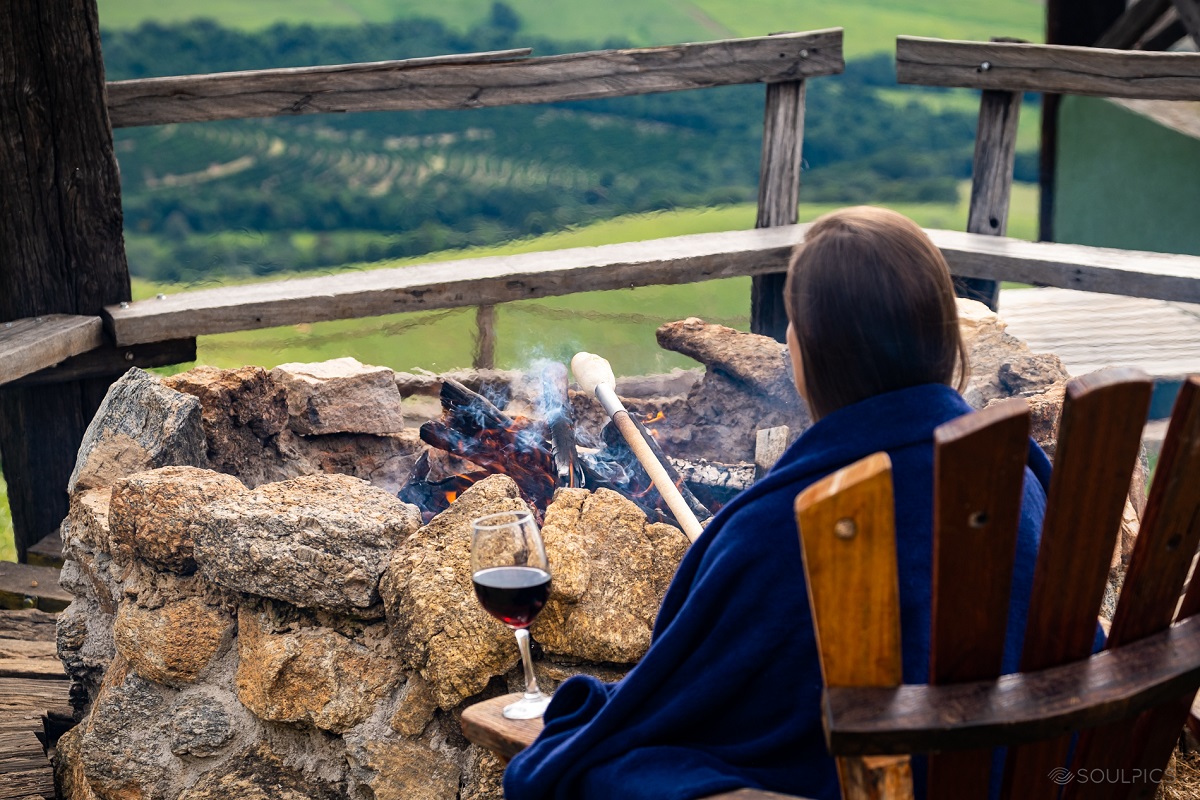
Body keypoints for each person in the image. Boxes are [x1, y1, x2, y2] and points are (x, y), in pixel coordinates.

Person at [503, 207, 1050, 800]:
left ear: (806, 354)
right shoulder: (1016, 475)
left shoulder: (782, 527)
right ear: (943, 335)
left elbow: (681, 701)